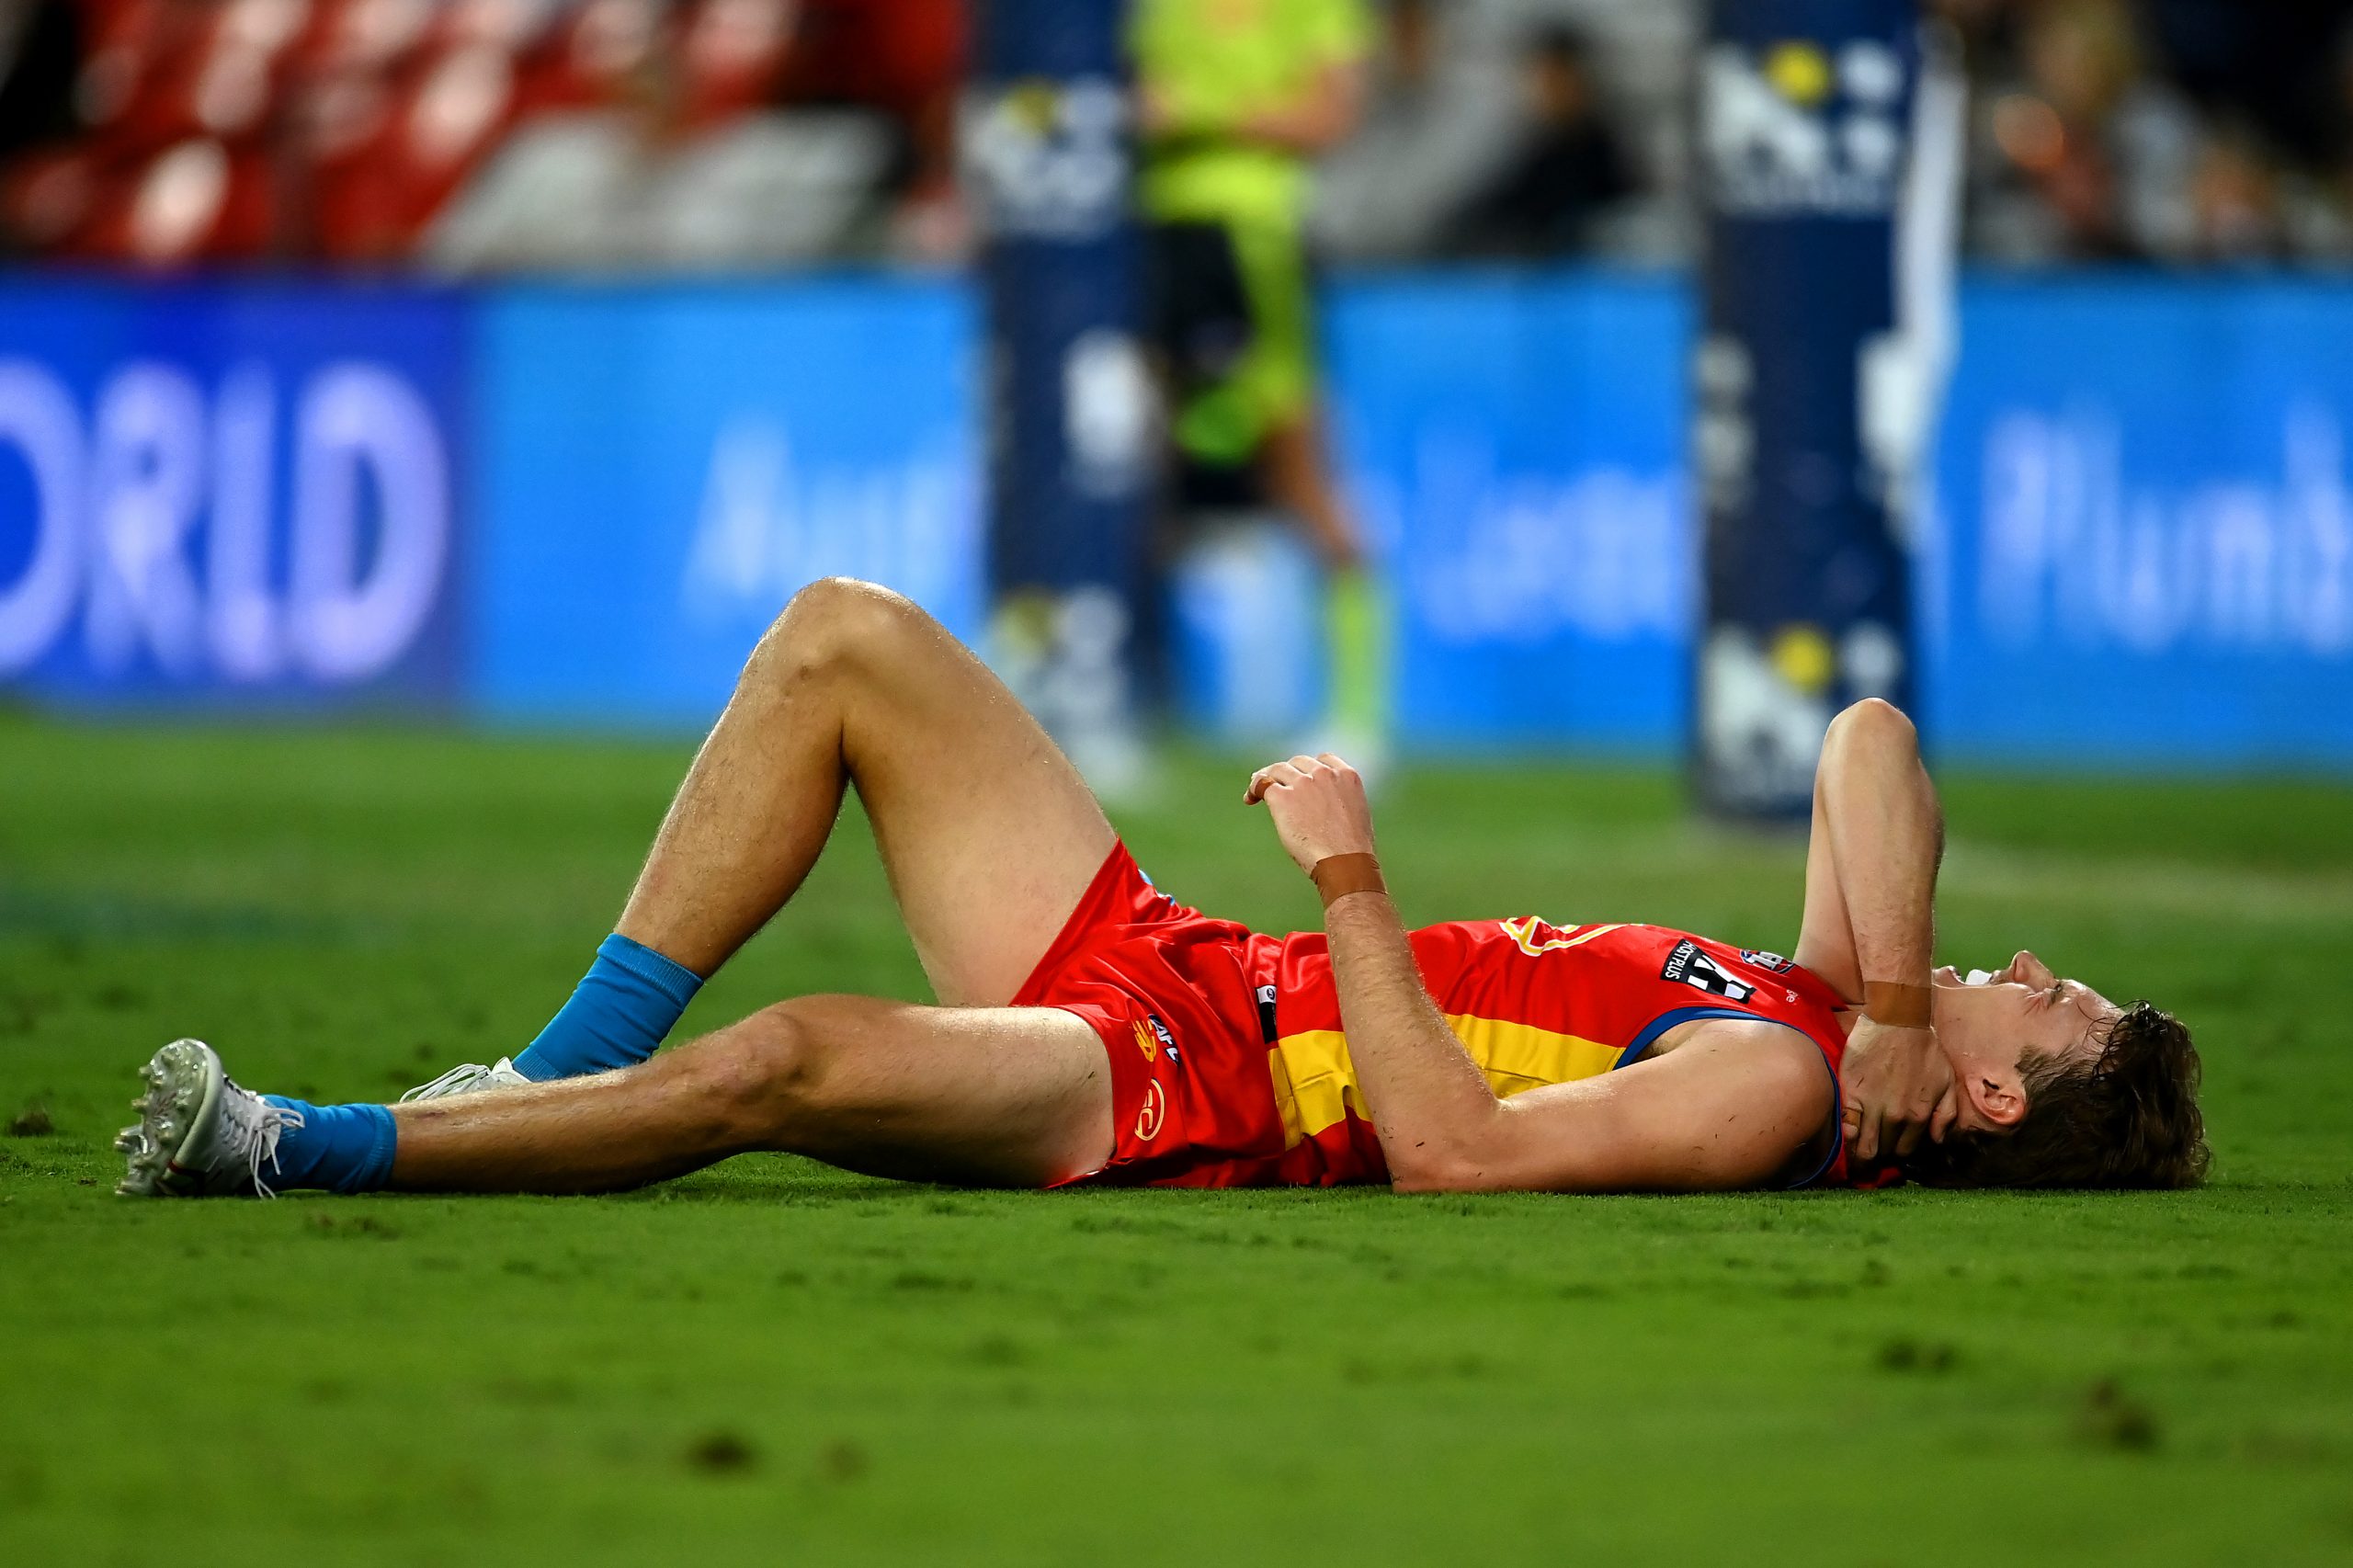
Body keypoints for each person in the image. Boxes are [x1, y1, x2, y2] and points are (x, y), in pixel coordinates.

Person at [115, 580, 2208, 1201]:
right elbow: (1866, 743)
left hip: (1193, 1087)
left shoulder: (1764, 1085)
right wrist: (1916, 1009)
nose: (2018, 964)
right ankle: (538, 1069)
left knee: (789, 1056)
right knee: (843, 639)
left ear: (2007, 1102)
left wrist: (1353, 870)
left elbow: (1453, 1153)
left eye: (2051, 997)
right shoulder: (1849, 1011)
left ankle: (315, 1149)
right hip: (1193, 964)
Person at [1130, 0, 1389, 763]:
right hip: (1162, 240)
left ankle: (1357, 718)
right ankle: (1139, 704)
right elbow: (1127, 104)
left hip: (1258, 243)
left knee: (1302, 471)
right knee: (1148, 475)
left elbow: (1329, 116)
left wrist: (1198, 113)